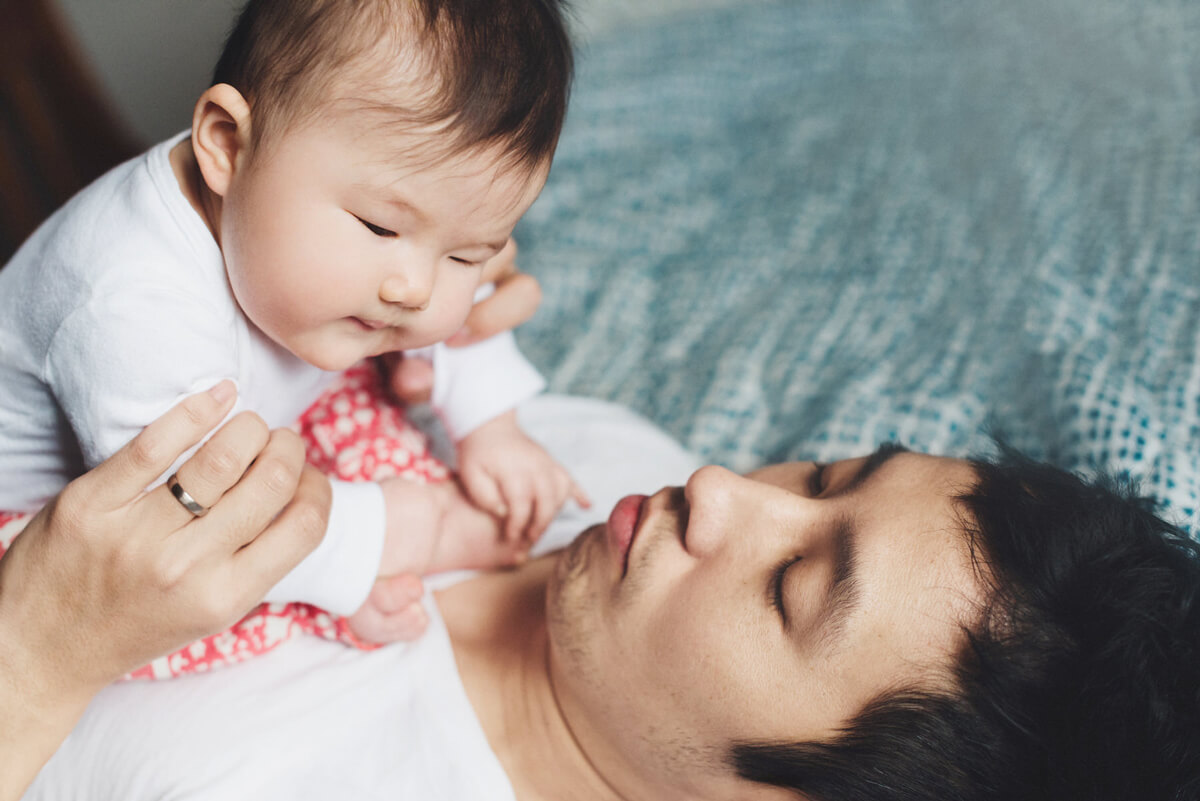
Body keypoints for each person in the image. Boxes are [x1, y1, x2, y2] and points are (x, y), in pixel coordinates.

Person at [23, 399, 1200, 799]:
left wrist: (35, 647)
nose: (721, 489)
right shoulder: (597, 455)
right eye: (830, 478)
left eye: (791, 588)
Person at [0, 0, 582, 658]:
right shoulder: (132, 307)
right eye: (380, 227)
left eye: (464, 253)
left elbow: (472, 290)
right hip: (87, 518)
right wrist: (410, 534)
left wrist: (489, 422)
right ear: (226, 144)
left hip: (230, 425)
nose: (415, 288)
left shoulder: (301, 208)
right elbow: (201, 518)